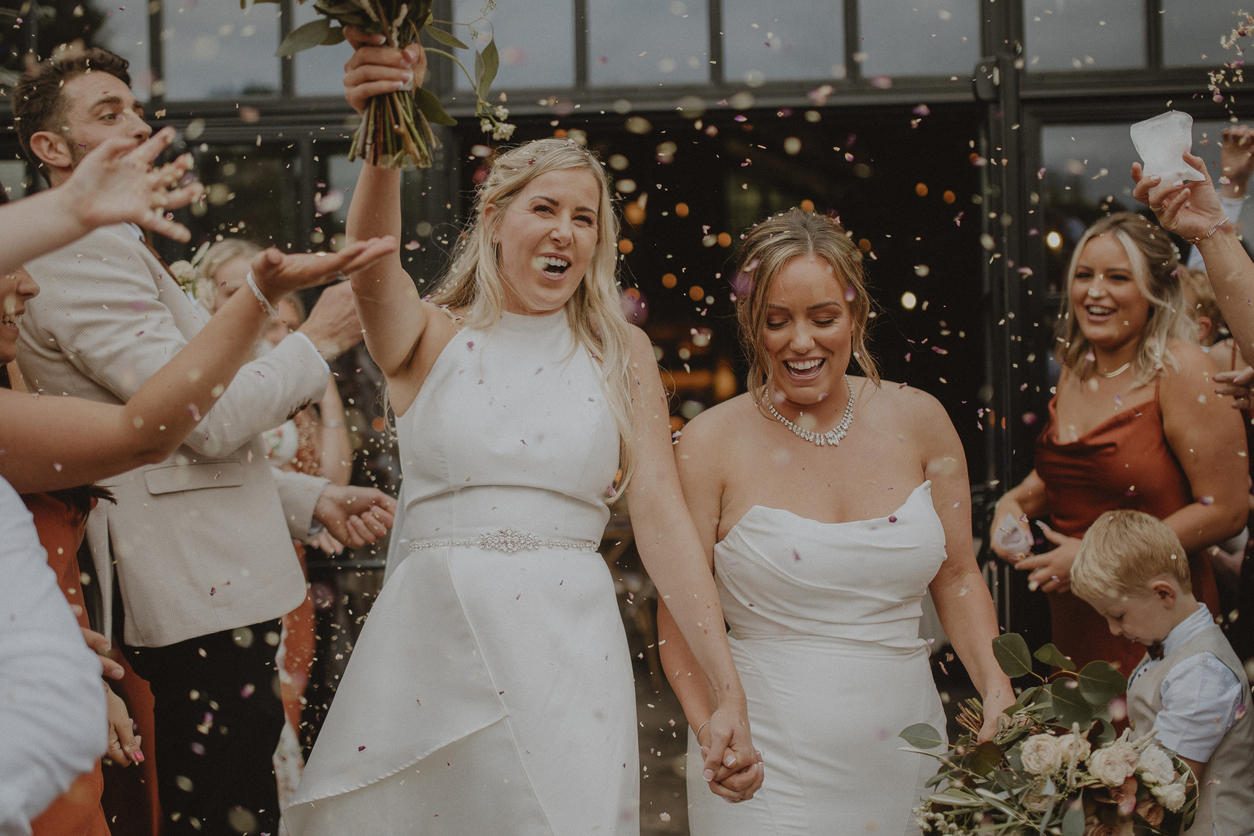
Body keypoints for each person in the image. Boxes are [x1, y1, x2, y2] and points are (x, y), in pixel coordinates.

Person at [284, 35, 760, 834]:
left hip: (567, 643)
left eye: (585, 218)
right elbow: (371, 265)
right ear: (495, 218)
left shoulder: (623, 352)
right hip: (430, 634)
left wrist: (725, 686)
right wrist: (386, 128)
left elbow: (663, 519)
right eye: (545, 209)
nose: (566, 233)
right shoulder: (429, 336)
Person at [12, 47, 399, 836]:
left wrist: (307, 496)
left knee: (241, 802)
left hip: (213, 590)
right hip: (189, 606)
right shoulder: (75, 251)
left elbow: (178, 451)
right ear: (51, 150)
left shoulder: (118, 244)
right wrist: (314, 343)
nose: (138, 124)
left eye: (135, 107)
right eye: (107, 113)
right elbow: (197, 420)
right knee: (220, 816)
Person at [653, 208, 1014, 835]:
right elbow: (678, 609)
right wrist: (711, 722)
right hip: (760, 756)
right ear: (750, 324)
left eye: (823, 319)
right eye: (777, 321)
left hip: (905, 745)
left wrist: (996, 685)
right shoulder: (709, 444)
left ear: (857, 317)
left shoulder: (921, 420)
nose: (801, 342)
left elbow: (957, 576)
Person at [989, 212, 1246, 675]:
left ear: (1155, 292)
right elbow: (1074, 472)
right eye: (1084, 275)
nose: (1094, 291)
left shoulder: (1184, 370)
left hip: (1156, 621)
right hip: (1076, 620)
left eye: (1118, 277)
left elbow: (1226, 509)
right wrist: (1013, 501)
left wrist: (1091, 557)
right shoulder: (1077, 366)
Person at [1070, 510, 1254, 836]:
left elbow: (1166, 791)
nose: (1113, 630)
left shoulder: (1201, 674)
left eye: (1119, 616)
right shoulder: (1174, 648)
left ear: (1163, 593)